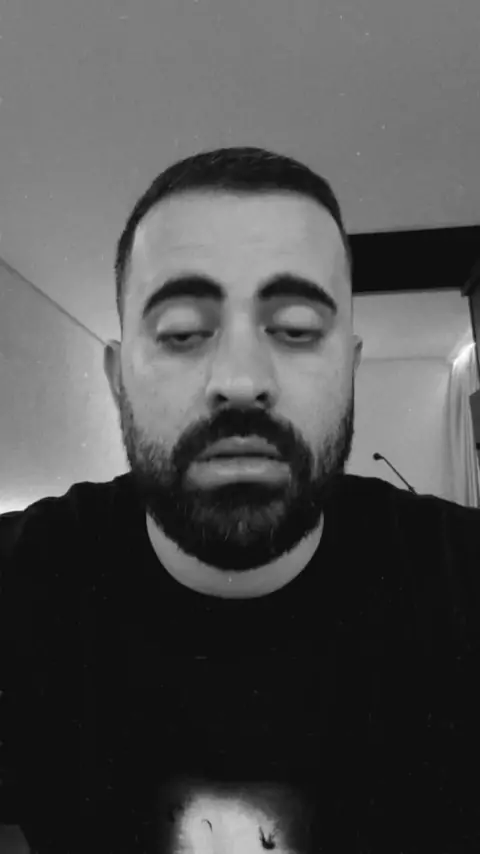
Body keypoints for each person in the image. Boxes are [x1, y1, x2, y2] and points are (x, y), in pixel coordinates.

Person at [1, 146, 479, 854]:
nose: (241, 379)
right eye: (183, 333)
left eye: (296, 329)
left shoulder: (463, 584)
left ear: (349, 370)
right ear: (118, 379)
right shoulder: (21, 587)